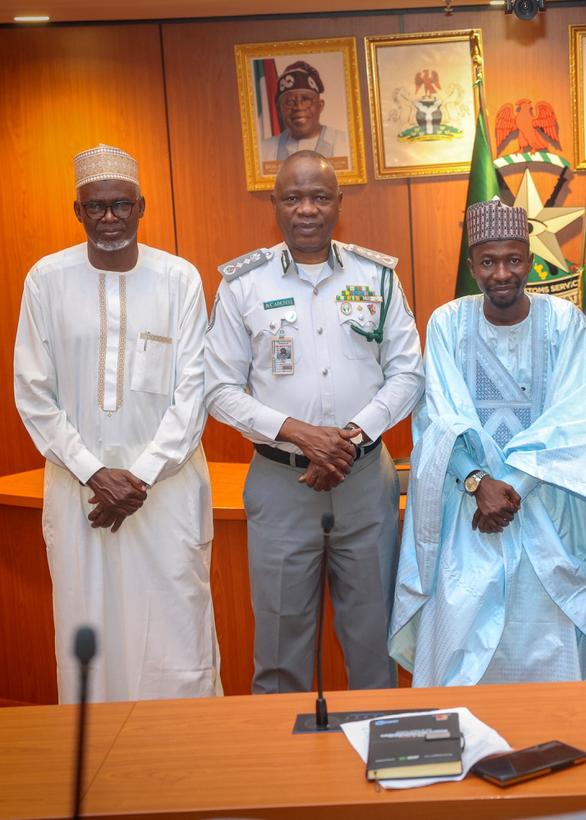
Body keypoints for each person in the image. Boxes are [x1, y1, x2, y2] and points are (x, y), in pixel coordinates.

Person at [389, 198, 586, 687]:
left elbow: (578, 417)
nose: (501, 273)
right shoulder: (447, 322)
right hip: (470, 511)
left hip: (551, 504)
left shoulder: (566, 322)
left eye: (513, 259)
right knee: (463, 640)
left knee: (556, 639)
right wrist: (478, 483)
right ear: (472, 265)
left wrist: (510, 488)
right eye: (488, 262)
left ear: (530, 260)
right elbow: (440, 417)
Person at [205, 150, 422, 693]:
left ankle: (377, 744)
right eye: (294, 198)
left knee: (374, 644)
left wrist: (349, 437)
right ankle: (281, 750)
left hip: (365, 482)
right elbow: (218, 389)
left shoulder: (377, 278)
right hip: (282, 485)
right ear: (274, 204)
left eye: (320, 197)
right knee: (280, 649)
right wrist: (299, 433)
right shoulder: (242, 284)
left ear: (339, 203)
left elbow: (408, 373)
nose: (307, 209)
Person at [14, 144, 219, 703]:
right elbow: (33, 391)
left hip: (165, 493)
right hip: (81, 493)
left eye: (121, 205)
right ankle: (100, 757)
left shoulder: (178, 278)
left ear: (141, 206)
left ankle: (181, 751)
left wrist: (140, 478)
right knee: (90, 629)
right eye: (96, 206)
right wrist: (93, 471)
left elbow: (193, 392)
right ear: (77, 211)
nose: (110, 217)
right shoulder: (46, 280)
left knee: (176, 630)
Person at [260, 61, 349, 170]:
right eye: (290, 102)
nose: (299, 107)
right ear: (279, 110)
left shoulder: (346, 144)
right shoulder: (263, 151)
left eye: (306, 100)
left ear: (320, 106)